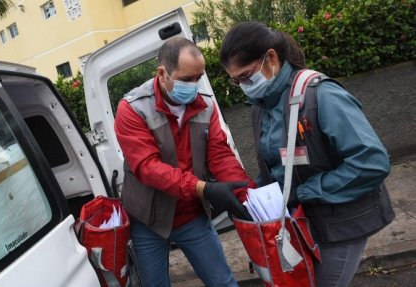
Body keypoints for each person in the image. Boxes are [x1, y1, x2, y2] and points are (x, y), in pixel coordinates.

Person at [219, 21, 394, 287]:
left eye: (245, 76)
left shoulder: (320, 94)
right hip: (302, 221)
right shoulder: (260, 106)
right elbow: (277, 166)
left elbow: (372, 162)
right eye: (235, 81)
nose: (243, 86)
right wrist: (252, 195)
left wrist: (305, 192)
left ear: (271, 58)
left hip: (343, 223)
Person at [114, 36, 256, 286]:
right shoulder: (132, 109)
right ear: (162, 73)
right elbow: (148, 168)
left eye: (198, 78)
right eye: (186, 79)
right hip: (148, 221)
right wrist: (204, 188)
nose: (194, 86)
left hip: (191, 216)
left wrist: (248, 195)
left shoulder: (205, 106)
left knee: (223, 281)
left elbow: (220, 155)